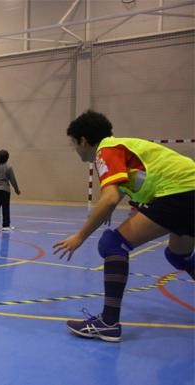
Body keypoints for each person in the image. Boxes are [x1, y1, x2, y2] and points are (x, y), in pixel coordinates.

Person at [53, 110, 195, 343]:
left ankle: (108, 323)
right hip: (187, 191)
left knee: (112, 244)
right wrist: (108, 206)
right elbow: (118, 191)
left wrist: (79, 236)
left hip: (181, 192)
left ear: (83, 141)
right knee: (180, 255)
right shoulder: (121, 147)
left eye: (74, 144)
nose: (75, 150)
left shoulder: (105, 150)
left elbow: (109, 198)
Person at [0, 150, 20, 231]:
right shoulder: (8, 168)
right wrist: (17, 190)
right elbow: (13, 180)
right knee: (5, 207)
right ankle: (5, 225)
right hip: (5, 191)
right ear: (7, 158)